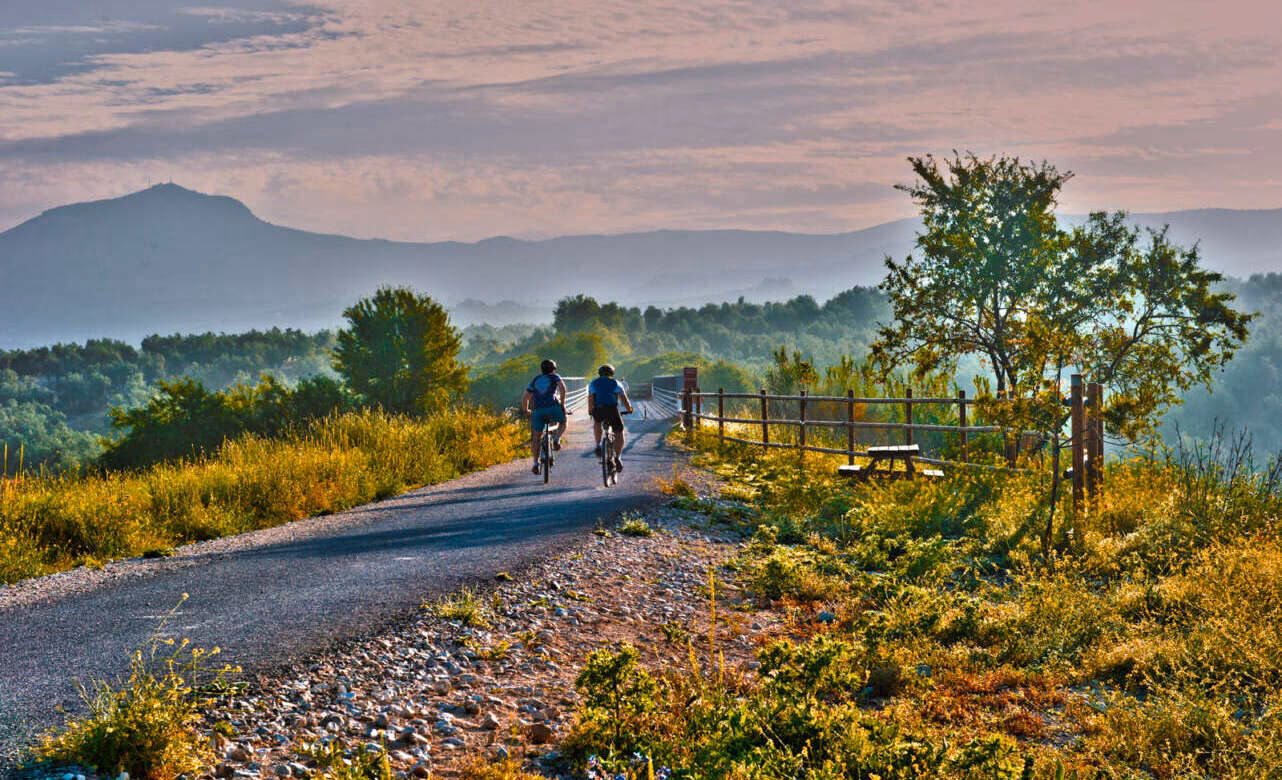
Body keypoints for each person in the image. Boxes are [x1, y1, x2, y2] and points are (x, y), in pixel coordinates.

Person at [522, 358, 566, 475]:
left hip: (538, 411)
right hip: (553, 407)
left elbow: (526, 396)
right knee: (563, 421)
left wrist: (526, 410)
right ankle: (557, 439)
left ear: (541, 369)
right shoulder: (555, 377)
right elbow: (562, 388)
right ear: (554, 369)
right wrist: (562, 404)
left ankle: (535, 464)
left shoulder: (535, 379)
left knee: (536, 437)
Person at [588, 363, 634, 472]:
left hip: (598, 409)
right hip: (612, 410)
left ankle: (598, 445)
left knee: (597, 423)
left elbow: (590, 398)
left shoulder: (593, 383)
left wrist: (590, 411)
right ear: (612, 373)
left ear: (600, 373)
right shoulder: (616, 383)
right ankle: (618, 457)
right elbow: (624, 399)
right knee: (619, 431)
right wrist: (629, 409)